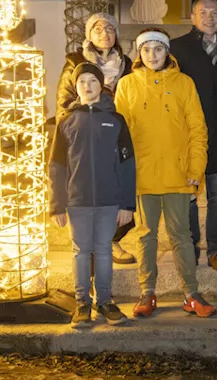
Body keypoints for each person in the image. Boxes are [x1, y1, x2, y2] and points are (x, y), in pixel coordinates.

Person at [116, 29, 217, 319]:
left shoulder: (184, 83)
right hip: (143, 175)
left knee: (182, 236)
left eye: (157, 49)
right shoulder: (127, 85)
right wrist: (125, 175)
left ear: (167, 52)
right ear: (139, 53)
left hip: (178, 173)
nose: (152, 55)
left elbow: (198, 128)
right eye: (146, 50)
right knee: (145, 235)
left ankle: (191, 294)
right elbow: (122, 135)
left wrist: (196, 168)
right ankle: (147, 292)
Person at [49, 62, 137, 327]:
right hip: (78, 201)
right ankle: (82, 303)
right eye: (82, 82)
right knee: (80, 251)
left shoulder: (116, 120)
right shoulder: (66, 121)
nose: (87, 86)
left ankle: (105, 302)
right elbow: (57, 165)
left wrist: (127, 203)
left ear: (102, 86)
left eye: (93, 81)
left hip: (110, 201)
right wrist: (57, 205)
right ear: (76, 88)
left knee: (103, 251)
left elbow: (127, 164)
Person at [56, 12, 136, 264]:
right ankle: (89, 246)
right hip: (86, 137)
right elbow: (64, 102)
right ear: (88, 35)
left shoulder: (129, 64)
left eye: (110, 29)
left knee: (119, 189)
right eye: (98, 29)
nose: (105, 34)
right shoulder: (74, 63)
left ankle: (112, 241)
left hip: (117, 135)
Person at [169, 0, 217, 272]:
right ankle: (191, 246)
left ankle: (215, 249)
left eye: (215, 12)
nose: (209, 17)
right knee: (189, 193)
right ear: (192, 16)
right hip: (188, 133)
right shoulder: (177, 49)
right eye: (203, 12)